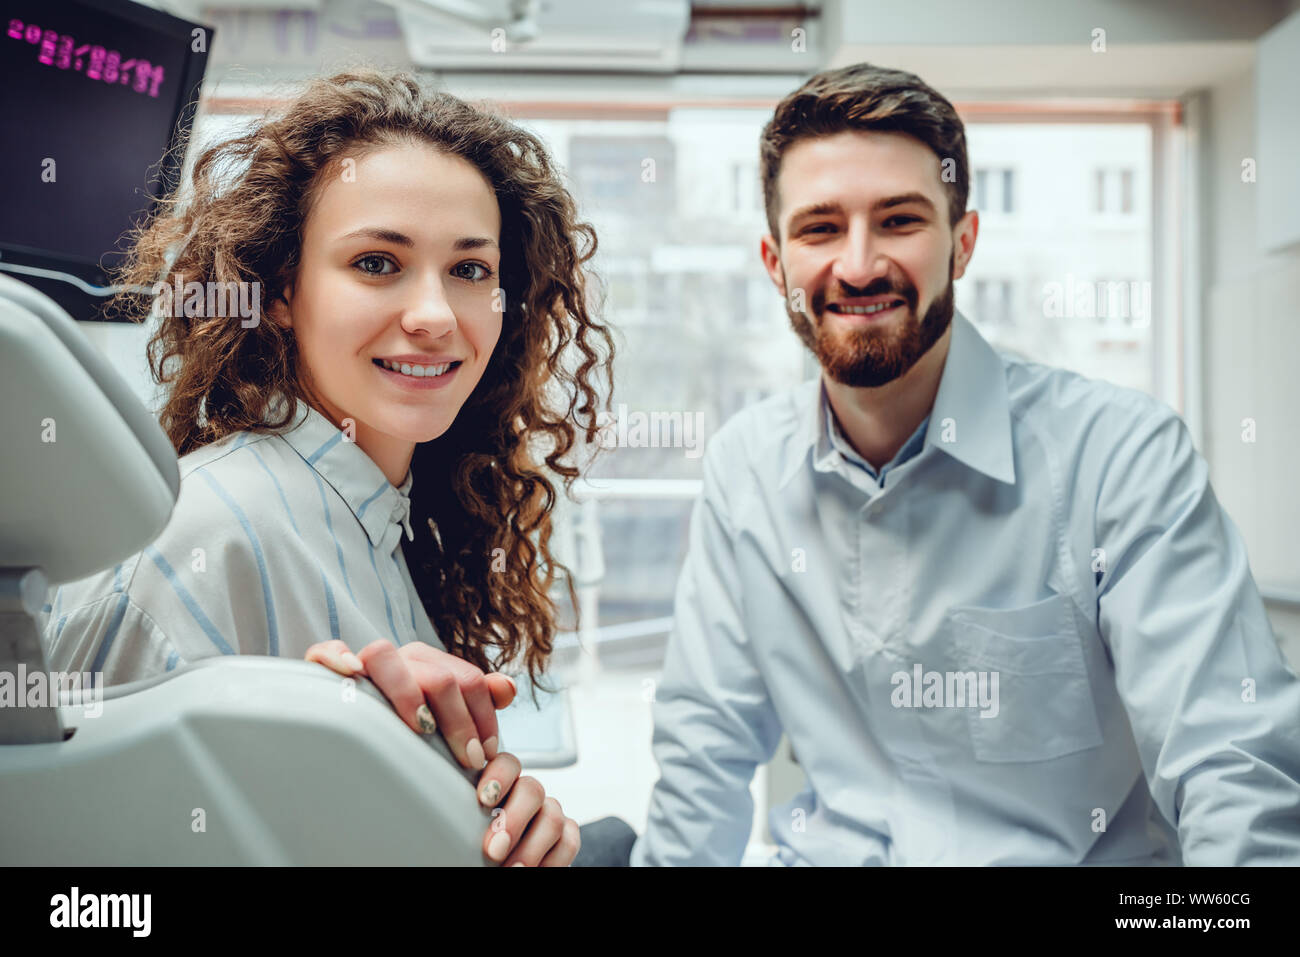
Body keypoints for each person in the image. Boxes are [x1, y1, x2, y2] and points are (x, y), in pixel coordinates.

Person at [631, 62, 1300, 866]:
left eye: (899, 220)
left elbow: (1233, 762)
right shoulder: (746, 467)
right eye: (819, 229)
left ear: (963, 242)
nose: (859, 264)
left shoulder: (1121, 454)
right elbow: (703, 750)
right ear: (776, 265)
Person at [39, 68, 616, 867]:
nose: (435, 315)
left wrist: (489, 822)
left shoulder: (384, 519)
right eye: (378, 263)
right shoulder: (197, 540)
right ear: (279, 291)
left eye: (471, 269)